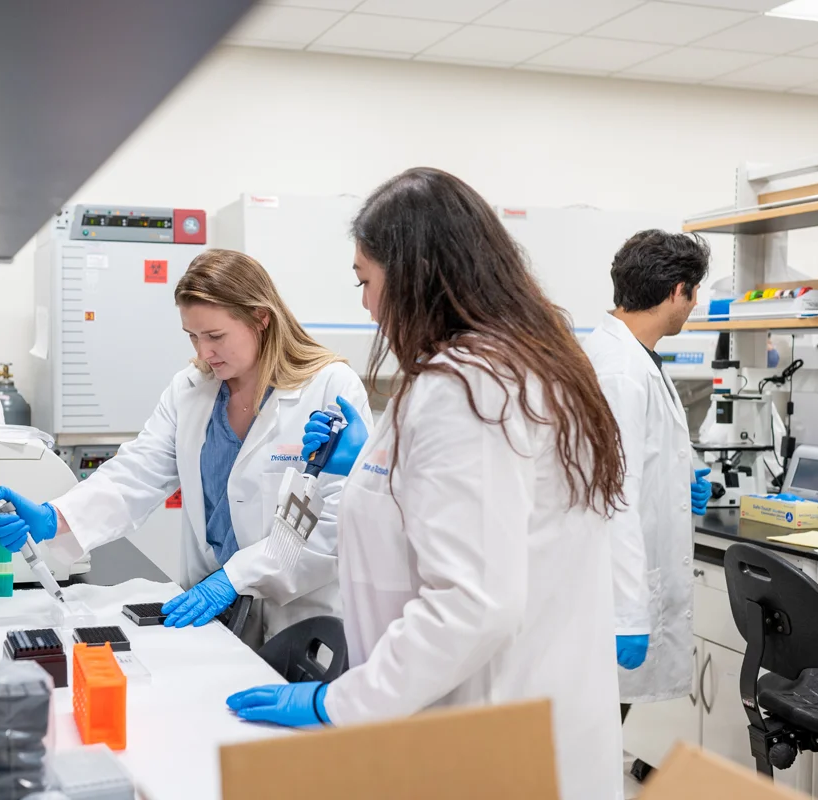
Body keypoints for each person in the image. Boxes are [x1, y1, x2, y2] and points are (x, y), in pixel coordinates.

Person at [225, 168, 627, 800]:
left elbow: (474, 602)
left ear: (412, 274)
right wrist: (371, 468)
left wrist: (345, 701)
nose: (364, 302)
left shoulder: (465, 388)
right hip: (532, 717)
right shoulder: (526, 367)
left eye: (365, 280)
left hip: (483, 735)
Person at [0, 248, 371, 643]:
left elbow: (337, 524)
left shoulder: (330, 387)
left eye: (215, 336)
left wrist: (237, 576)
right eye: (193, 336)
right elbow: (138, 472)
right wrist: (58, 516)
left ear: (261, 318)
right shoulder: (191, 389)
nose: (203, 352)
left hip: (299, 619)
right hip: (211, 610)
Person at [581, 231, 711, 723]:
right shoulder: (620, 370)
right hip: (614, 598)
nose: (692, 306)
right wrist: (629, 614)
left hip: (620, 583)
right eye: (693, 295)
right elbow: (613, 494)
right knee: (591, 740)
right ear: (679, 290)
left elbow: (637, 456)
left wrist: (684, 481)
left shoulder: (632, 358)